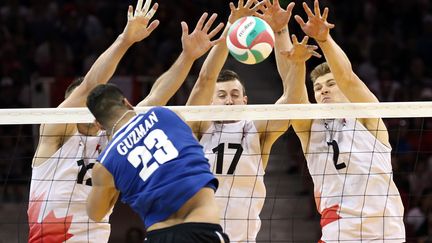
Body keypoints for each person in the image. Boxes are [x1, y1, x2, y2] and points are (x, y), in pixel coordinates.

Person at [27, 0, 225, 241]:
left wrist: (187, 56)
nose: (89, 108)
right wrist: (125, 39)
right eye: (82, 104)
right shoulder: (54, 132)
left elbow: (157, 95)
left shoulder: (118, 139)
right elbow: (90, 84)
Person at [186, 0, 319, 241]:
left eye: (235, 95)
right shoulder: (197, 127)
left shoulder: (256, 130)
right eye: (223, 95)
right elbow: (205, 78)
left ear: (245, 101)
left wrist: (281, 33)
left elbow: (292, 100)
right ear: (210, 102)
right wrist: (231, 27)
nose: (229, 101)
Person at [285, 0, 405, 241]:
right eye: (317, 88)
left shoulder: (368, 118)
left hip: (385, 231)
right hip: (338, 232)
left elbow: (348, 79)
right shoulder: (310, 128)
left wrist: (324, 39)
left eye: (330, 84)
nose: (323, 91)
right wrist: (295, 59)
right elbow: (294, 101)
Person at [85, 84, 230, 243]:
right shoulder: (165, 114)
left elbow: (95, 214)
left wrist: (114, 183)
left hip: (158, 237)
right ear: (127, 103)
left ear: (98, 124)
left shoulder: (106, 163)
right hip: (201, 228)